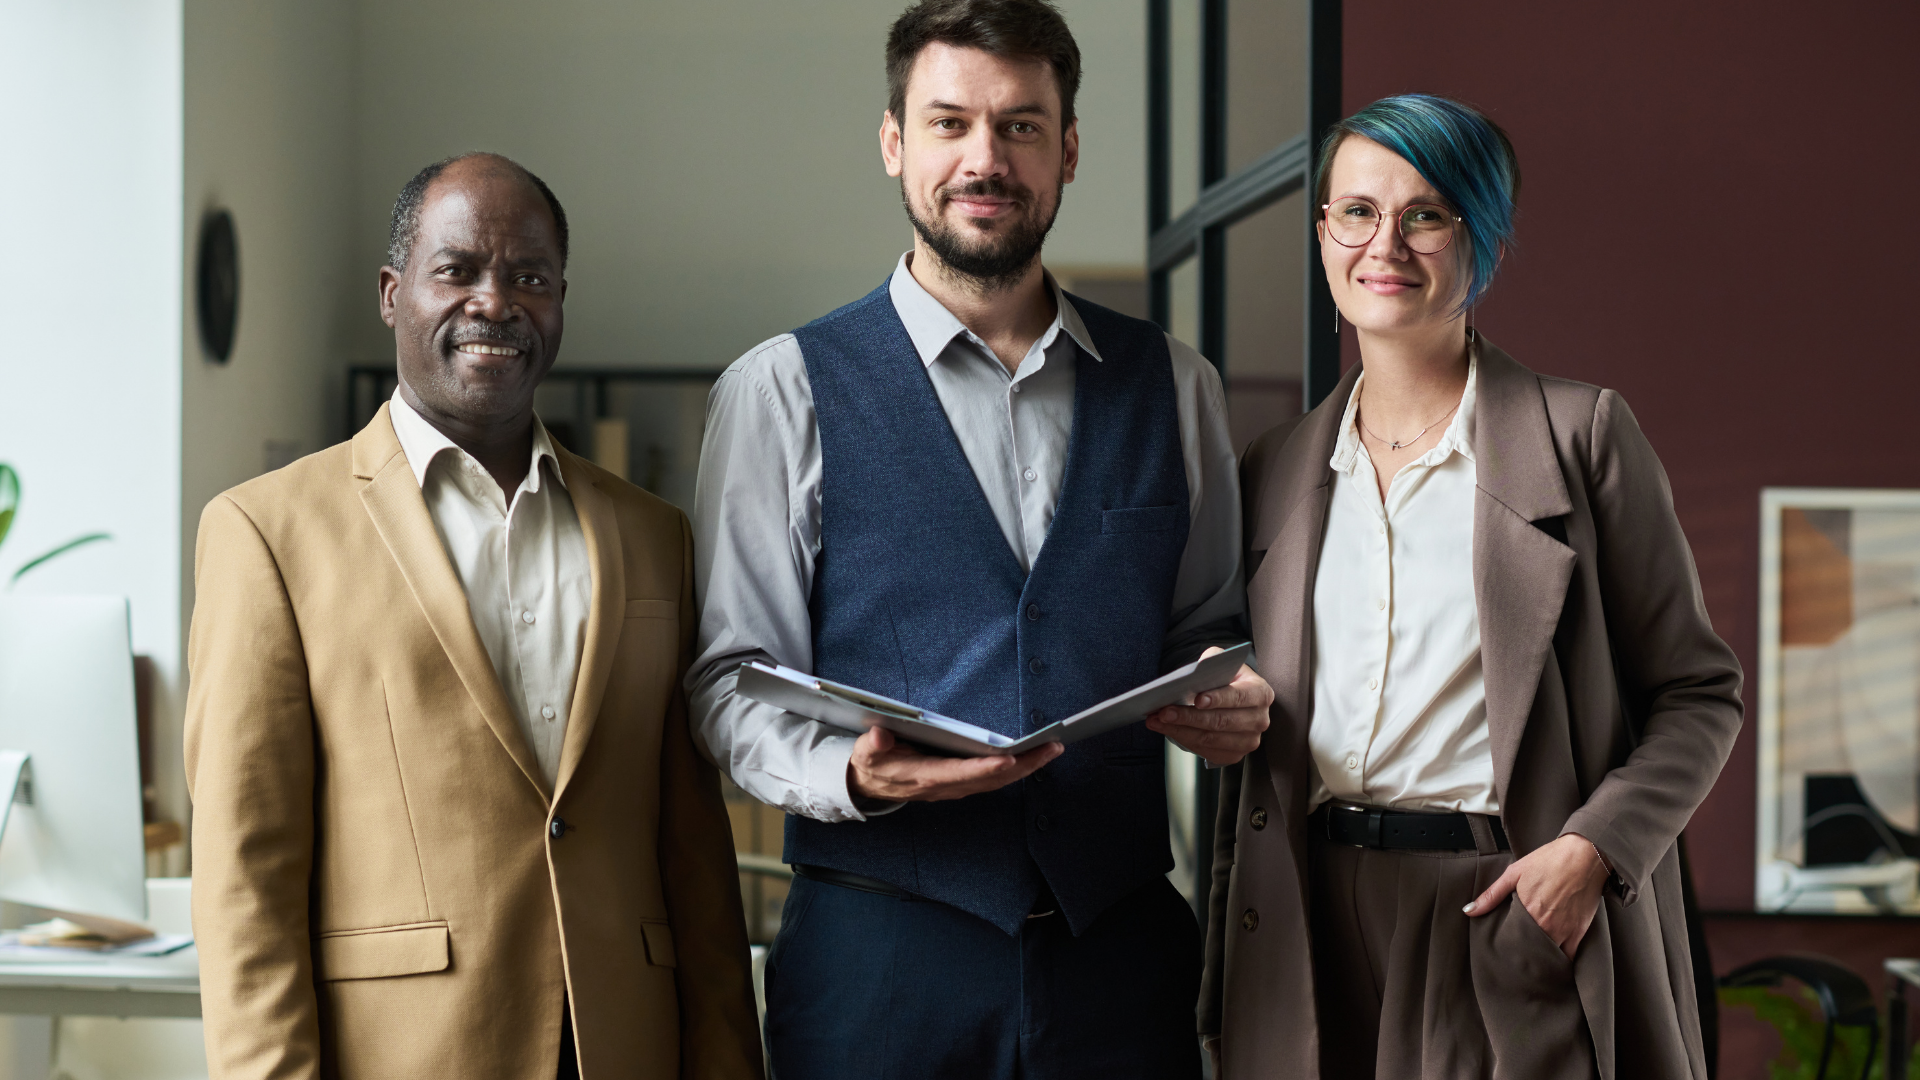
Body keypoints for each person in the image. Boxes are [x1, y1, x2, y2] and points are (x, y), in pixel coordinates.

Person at [688, 1, 1272, 1076]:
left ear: (1069, 150)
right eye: (950, 123)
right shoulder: (780, 390)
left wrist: (1233, 707)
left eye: (1021, 127)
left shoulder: (1173, 384)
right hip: (877, 966)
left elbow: (1209, 631)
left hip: (1122, 962)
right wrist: (855, 781)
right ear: (895, 144)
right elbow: (729, 685)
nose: (984, 159)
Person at [1197, 94, 1743, 1080]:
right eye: (1356, 212)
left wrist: (1593, 853)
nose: (1385, 244)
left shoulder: (1583, 438)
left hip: (1506, 900)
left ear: (1480, 236)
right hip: (1309, 917)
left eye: (1427, 213)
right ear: (1323, 233)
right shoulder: (1271, 469)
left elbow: (1699, 694)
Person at [186, 153, 762, 1080]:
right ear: (392, 293)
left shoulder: (655, 536)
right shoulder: (265, 532)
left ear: (561, 301)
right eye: (457, 269)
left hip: (628, 1047)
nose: (495, 302)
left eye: (529, 277)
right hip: (406, 1053)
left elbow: (693, 852)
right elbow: (244, 875)